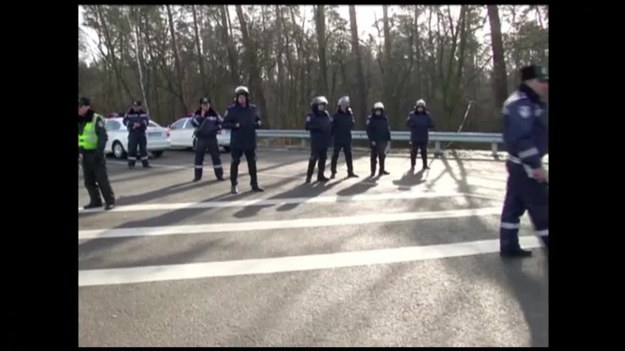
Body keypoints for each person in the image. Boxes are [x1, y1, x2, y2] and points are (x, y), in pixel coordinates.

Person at [499, 64, 549, 258]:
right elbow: (522, 138)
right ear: (529, 81)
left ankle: (508, 245)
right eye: (542, 81)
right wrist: (535, 166)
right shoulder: (521, 104)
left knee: (513, 206)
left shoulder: (532, 101)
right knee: (542, 207)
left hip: (519, 164)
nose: (546, 85)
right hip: (525, 165)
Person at [222, 86, 264, 194]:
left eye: (243, 97)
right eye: (239, 97)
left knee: (252, 163)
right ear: (236, 98)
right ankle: (233, 184)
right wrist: (234, 125)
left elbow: (258, 120)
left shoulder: (252, 109)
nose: (241, 99)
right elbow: (224, 123)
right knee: (235, 162)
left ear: (246, 97)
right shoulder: (231, 110)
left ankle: (254, 184)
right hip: (237, 141)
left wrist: (258, 124)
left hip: (249, 140)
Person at [78, 97, 116, 210]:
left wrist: (98, 153)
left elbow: (102, 137)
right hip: (84, 154)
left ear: (87, 107)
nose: (78, 109)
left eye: (80, 106)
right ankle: (95, 201)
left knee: (102, 180)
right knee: (88, 181)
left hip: (95, 154)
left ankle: (110, 201)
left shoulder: (96, 119)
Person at [191, 96, 225, 182]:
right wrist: (202, 117)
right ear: (201, 105)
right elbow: (193, 122)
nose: (205, 106)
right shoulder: (197, 114)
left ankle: (219, 175)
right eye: (203, 104)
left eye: (207, 104)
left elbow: (221, 123)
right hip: (201, 138)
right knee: (198, 157)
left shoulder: (214, 113)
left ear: (209, 104)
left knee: (216, 157)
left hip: (212, 138)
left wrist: (216, 128)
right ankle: (197, 176)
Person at [305, 96, 332, 183]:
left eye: (323, 105)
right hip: (316, 140)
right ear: (316, 106)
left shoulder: (326, 114)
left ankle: (321, 175)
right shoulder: (311, 115)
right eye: (320, 105)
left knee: (323, 158)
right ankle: (309, 176)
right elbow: (307, 126)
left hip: (324, 140)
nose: (322, 107)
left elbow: (329, 125)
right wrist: (318, 127)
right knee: (313, 158)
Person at [330, 96, 358, 178]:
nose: (345, 106)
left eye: (346, 105)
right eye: (343, 105)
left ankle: (350, 171)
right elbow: (332, 126)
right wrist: (332, 136)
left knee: (349, 155)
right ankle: (333, 172)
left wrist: (351, 118)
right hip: (338, 138)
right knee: (335, 155)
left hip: (347, 138)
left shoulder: (349, 114)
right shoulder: (335, 115)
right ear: (340, 105)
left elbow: (352, 124)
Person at [406, 99, 434, 171]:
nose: (420, 109)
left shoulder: (427, 115)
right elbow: (408, 123)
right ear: (417, 107)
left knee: (424, 151)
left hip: (423, 136)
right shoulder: (412, 114)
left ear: (424, 108)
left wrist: (428, 125)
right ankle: (413, 165)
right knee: (414, 151)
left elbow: (431, 123)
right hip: (415, 136)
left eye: (422, 107)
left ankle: (425, 165)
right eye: (419, 107)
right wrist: (413, 125)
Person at [122, 100, 151, 168]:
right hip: (133, 133)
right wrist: (132, 125)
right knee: (132, 148)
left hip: (141, 133)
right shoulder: (129, 113)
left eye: (137, 106)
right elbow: (125, 121)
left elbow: (146, 121)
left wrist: (140, 124)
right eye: (134, 106)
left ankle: (145, 163)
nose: (136, 108)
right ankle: (131, 164)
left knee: (143, 148)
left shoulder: (143, 113)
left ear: (140, 107)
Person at [366, 102, 392, 177]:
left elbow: (387, 130)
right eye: (376, 110)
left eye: (379, 110)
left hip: (383, 141)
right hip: (374, 141)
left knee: (382, 156)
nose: (378, 112)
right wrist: (372, 140)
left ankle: (382, 170)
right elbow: (368, 131)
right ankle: (373, 171)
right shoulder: (370, 119)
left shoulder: (385, 119)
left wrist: (388, 140)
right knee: (373, 157)